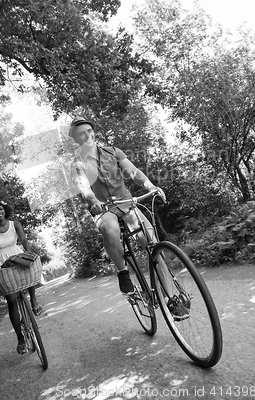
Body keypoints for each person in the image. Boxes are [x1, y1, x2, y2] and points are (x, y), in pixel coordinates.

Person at [69, 116, 187, 320]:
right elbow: (83, 186)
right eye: (82, 133)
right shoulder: (78, 163)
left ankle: (173, 298)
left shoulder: (113, 152)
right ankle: (123, 271)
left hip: (126, 202)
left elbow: (132, 172)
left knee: (152, 244)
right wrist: (92, 200)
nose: (88, 135)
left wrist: (150, 186)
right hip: (103, 209)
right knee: (110, 229)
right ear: (76, 139)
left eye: (89, 131)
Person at [0, 199, 43, 355]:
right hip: (2, 261)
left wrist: (30, 253)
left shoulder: (15, 224)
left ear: (5, 211)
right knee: (11, 300)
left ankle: (34, 301)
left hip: (18, 254)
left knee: (28, 272)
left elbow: (23, 239)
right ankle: (20, 339)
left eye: (1, 210)